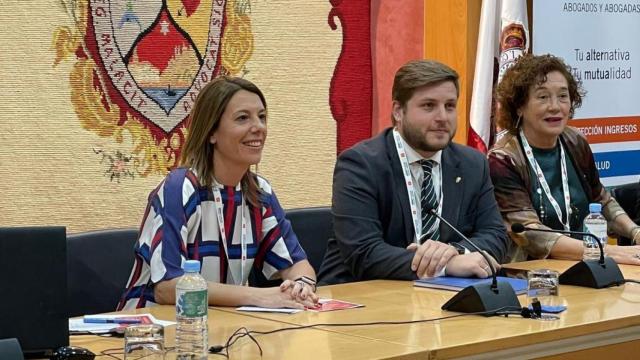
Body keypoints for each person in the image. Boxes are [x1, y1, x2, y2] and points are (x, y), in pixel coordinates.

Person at [118, 76, 319, 310]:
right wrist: (260, 296)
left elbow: (297, 264)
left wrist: (302, 286)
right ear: (211, 132)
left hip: (221, 323)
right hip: (154, 330)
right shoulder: (180, 188)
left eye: (262, 117)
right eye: (243, 118)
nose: (259, 127)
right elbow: (167, 287)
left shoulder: (259, 191)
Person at [318, 60, 509, 284]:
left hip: (439, 298)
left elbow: (496, 236)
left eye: (449, 106)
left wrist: (453, 252)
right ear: (398, 111)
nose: (442, 117)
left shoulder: (472, 164)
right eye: (429, 106)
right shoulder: (361, 164)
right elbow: (364, 253)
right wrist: (446, 265)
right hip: (362, 299)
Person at [488, 53, 640, 264]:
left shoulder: (575, 141)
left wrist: (635, 232)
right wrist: (608, 252)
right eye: (542, 97)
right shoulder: (503, 159)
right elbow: (530, 233)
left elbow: (601, 200)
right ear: (519, 106)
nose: (555, 106)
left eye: (562, 96)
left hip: (588, 264)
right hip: (533, 273)